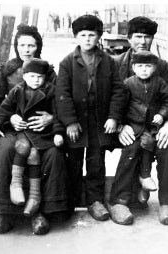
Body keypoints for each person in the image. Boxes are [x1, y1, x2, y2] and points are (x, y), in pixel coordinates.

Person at [0, 24, 70, 235]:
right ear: (16, 46)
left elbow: (61, 100)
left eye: (31, 45)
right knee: (6, 150)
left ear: (38, 46)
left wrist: (51, 119)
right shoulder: (7, 70)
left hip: (43, 130)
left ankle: (41, 211)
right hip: (14, 128)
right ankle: (4, 211)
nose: (27, 49)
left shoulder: (47, 71)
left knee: (52, 153)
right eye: (22, 45)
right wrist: (3, 121)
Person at [109, 16, 168, 225]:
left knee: (167, 148)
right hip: (126, 126)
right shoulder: (116, 64)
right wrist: (120, 126)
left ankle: (167, 202)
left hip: (155, 127)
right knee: (131, 147)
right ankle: (119, 201)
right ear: (128, 38)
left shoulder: (160, 66)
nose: (143, 41)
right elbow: (108, 101)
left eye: (147, 37)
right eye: (138, 36)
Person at [56, 14, 125, 221]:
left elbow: (118, 91)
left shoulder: (108, 62)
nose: (87, 39)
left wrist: (113, 117)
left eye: (92, 35)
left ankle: (95, 201)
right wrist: (70, 122)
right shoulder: (67, 62)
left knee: (96, 162)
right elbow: (62, 93)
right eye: (83, 35)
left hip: (99, 122)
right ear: (76, 37)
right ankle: (72, 200)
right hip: (76, 123)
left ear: (99, 37)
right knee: (74, 163)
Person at [0, 58, 65, 217]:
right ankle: (15, 184)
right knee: (22, 147)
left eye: (40, 77)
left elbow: (59, 112)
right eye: (32, 76)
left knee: (35, 154)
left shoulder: (51, 91)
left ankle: (34, 196)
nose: (36, 80)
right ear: (24, 76)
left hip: (44, 132)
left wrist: (58, 131)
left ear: (45, 78)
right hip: (24, 130)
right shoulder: (17, 90)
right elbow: (4, 108)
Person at [121, 51, 168, 207]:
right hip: (135, 125)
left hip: (152, 124)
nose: (144, 69)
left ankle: (148, 184)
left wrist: (162, 114)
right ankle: (144, 177)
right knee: (143, 143)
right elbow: (121, 104)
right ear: (133, 67)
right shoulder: (128, 83)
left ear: (154, 68)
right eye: (140, 66)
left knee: (160, 144)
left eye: (148, 66)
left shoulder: (159, 82)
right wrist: (122, 124)